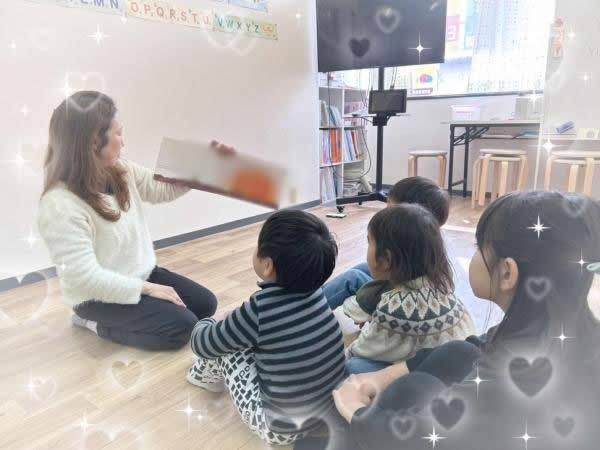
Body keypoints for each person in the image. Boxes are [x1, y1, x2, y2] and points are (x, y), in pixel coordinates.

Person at [296, 191, 600, 450]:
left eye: (479, 247)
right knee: (452, 356)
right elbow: (475, 345)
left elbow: (423, 437)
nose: (475, 255)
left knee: (333, 431)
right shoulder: (557, 332)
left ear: (507, 272)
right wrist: (382, 377)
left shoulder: (511, 380)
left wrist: (356, 411)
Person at [37, 91, 224, 350]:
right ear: (94, 141)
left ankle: (144, 300)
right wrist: (148, 289)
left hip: (142, 274)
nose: (123, 143)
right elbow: (84, 279)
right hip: (96, 295)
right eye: (118, 134)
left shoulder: (121, 169)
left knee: (205, 305)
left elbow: (161, 189)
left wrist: (197, 169)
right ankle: (92, 323)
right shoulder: (59, 204)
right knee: (181, 329)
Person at [187, 210, 345, 446]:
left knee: (225, 347)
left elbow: (203, 345)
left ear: (268, 265)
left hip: (279, 428)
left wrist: (208, 322)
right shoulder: (317, 294)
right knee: (248, 336)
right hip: (326, 414)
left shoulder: (261, 309)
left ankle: (202, 376)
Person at [343, 204, 475, 375]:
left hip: (433, 379)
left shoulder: (397, 307)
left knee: (354, 366)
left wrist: (346, 351)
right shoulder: (439, 282)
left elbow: (362, 350)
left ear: (386, 259)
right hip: (458, 363)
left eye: (369, 242)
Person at [323, 176, 450, 311]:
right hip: (406, 286)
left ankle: (311, 308)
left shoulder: (408, 242)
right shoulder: (426, 240)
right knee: (364, 268)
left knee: (353, 278)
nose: (385, 212)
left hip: (404, 300)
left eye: (390, 208)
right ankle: (314, 295)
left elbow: (401, 283)